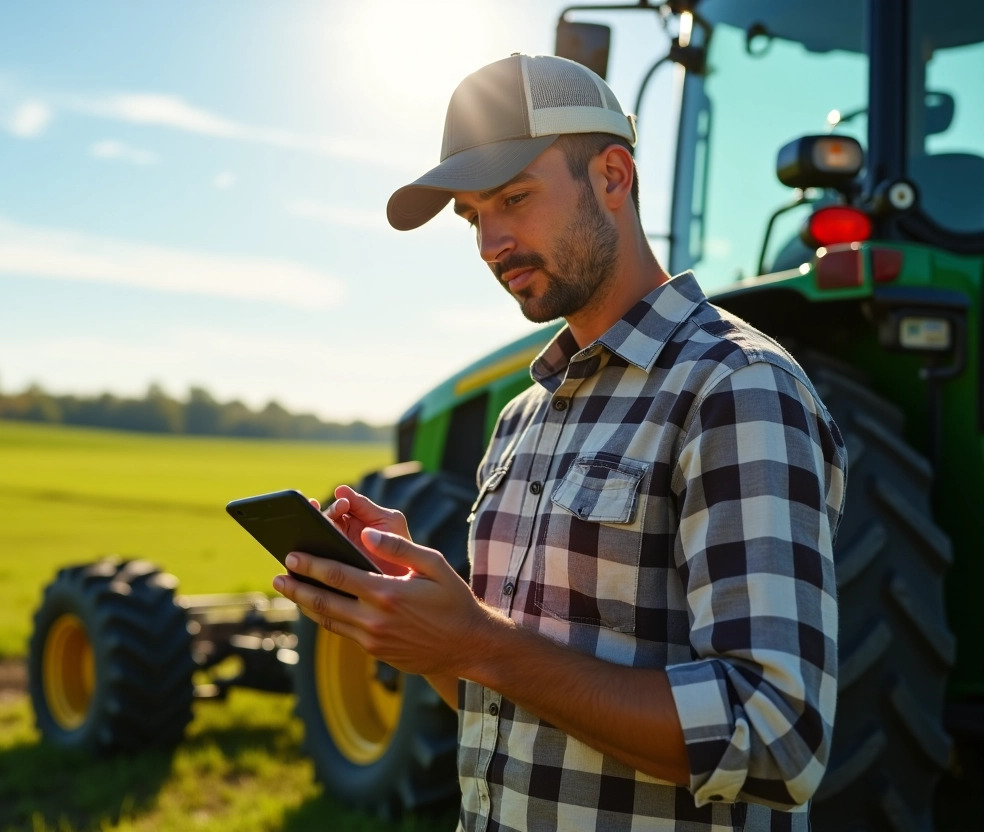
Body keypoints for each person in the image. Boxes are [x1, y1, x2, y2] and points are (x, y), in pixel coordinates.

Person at [273, 53, 846, 831]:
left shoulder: (736, 389)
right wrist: (437, 642)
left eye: (514, 197)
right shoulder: (520, 423)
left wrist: (481, 643)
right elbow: (514, 708)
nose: (491, 243)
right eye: (473, 216)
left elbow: (778, 739)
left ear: (613, 176)